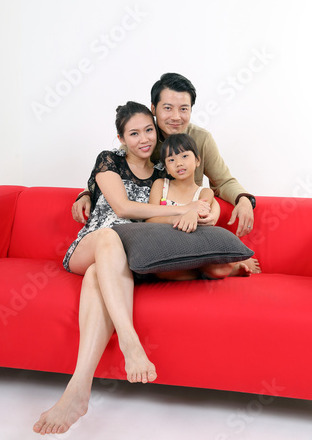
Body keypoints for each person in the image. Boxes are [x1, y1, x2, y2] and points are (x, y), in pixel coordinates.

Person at [33, 102, 210, 435]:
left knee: (96, 275)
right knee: (107, 239)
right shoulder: (109, 160)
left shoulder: (162, 172)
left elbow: (195, 196)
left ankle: (78, 389)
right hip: (91, 244)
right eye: (134, 133)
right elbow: (123, 207)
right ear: (121, 138)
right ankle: (130, 342)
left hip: (129, 257)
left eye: (148, 130)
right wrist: (185, 208)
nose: (143, 138)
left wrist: (200, 210)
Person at [72, 73, 256, 238]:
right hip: (152, 226)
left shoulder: (201, 139)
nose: (176, 117)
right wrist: (87, 194)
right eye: (168, 108)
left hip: (190, 223)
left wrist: (244, 199)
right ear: (153, 109)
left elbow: (222, 182)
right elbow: (115, 171)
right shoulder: (141, 139)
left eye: (184, 109)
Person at [147, 133, 261, 281]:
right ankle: (214, 272)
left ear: (198, 161)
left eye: (184, 156)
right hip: (169, 250)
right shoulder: (161, 185)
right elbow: (150, 221)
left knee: (215, 268)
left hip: (195, 249)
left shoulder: (205, 192)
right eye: (171, 160)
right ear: (167, 168)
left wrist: (193, 214)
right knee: (162, 272)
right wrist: (181, 217)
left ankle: (220, 267)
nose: (179, 163)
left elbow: (201, 211)